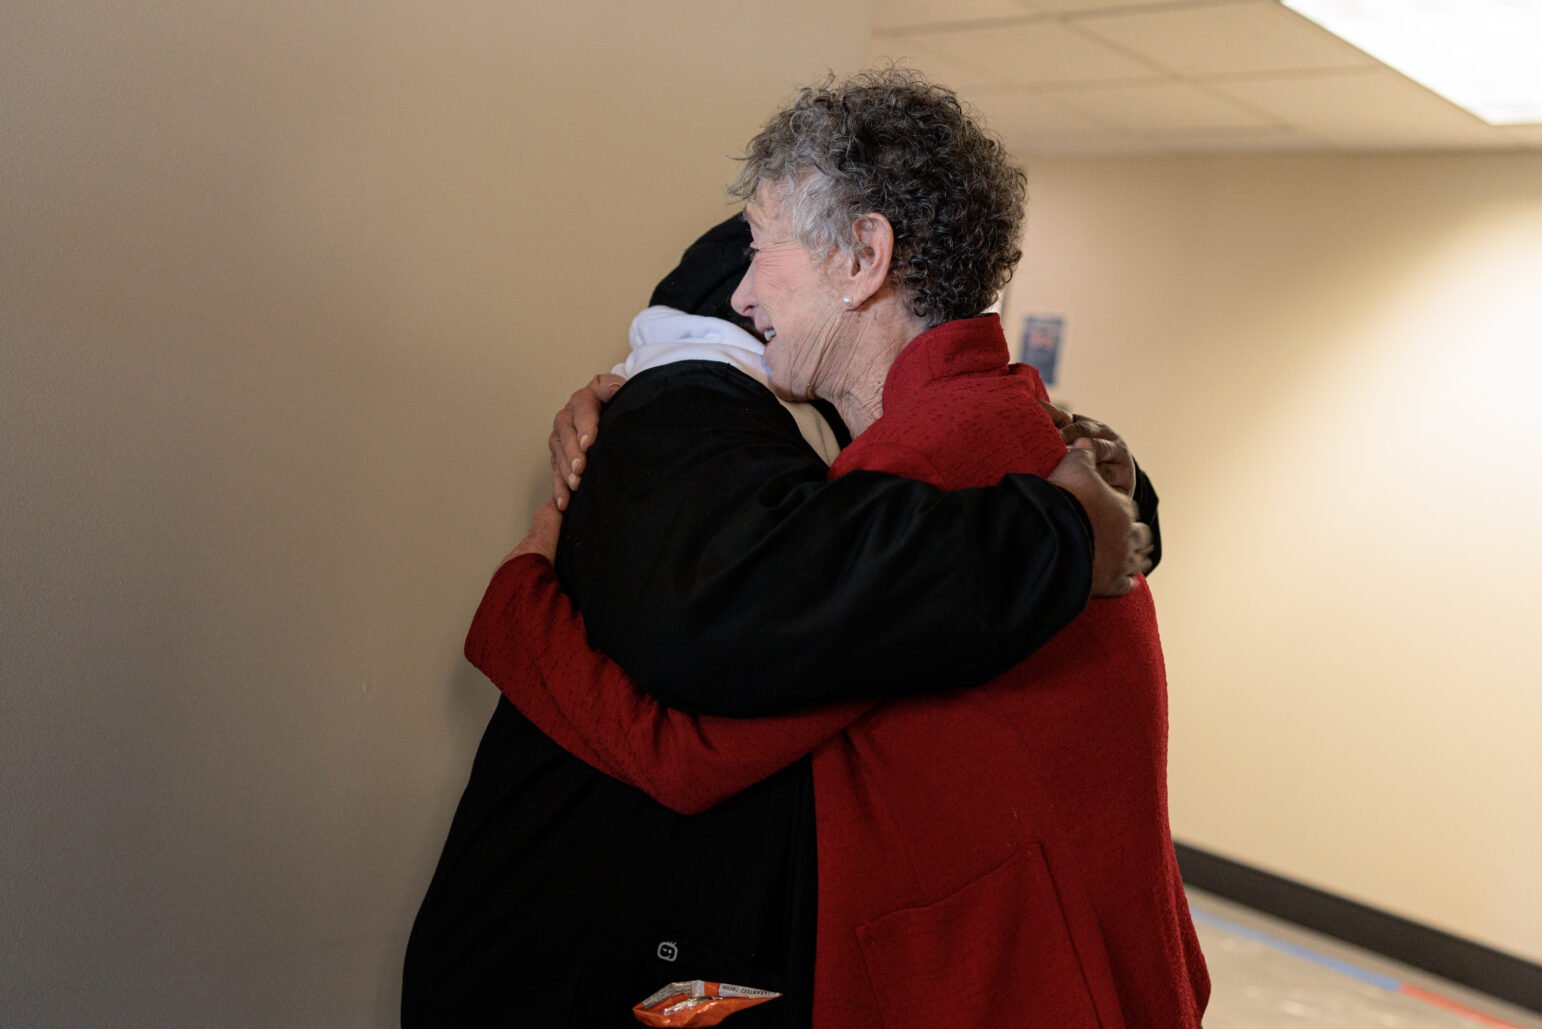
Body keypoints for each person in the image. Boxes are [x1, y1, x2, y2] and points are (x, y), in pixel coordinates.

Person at [403, 78, 1167, 1029]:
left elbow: (691, 752)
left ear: (863, 259)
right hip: (1093, 965)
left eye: (764, 249)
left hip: (1013, 985)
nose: (743, 288)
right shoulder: (1020, 430)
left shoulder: (924, 471)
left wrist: (521, 599)